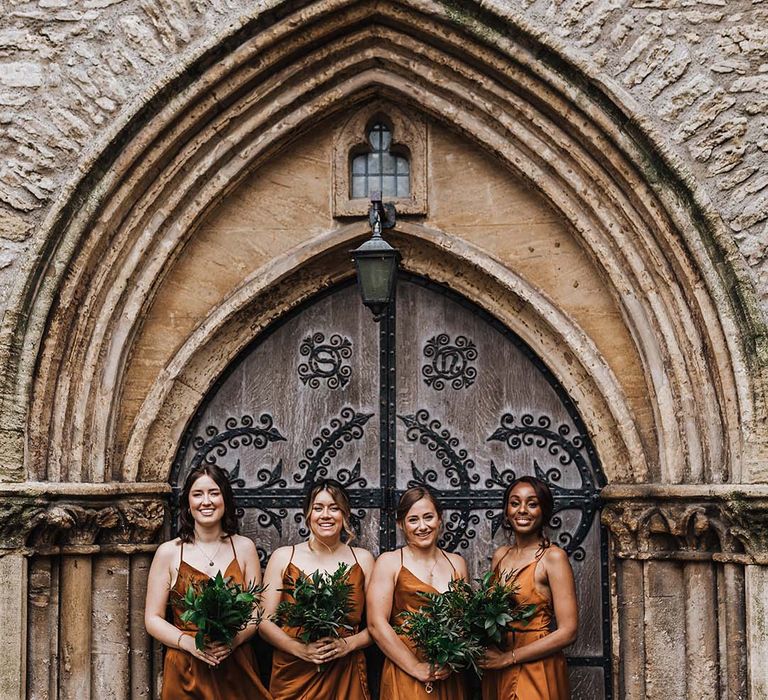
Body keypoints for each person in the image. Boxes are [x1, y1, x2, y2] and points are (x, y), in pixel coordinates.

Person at [145, 463, 272, 700]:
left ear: (225, 499)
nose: (206, 501)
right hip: (186, 668)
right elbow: (152, 618)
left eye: (214, 493)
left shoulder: (244, 548)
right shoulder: (169, 552)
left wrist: (233, 641)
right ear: (187, 503)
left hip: (235, 664)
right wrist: (189, 643)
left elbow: (256, 611)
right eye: (198, 494)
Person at [259, 479, 375, 699]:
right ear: (307, 514)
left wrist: (347, 645)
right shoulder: (284, 556)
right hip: (294, 670)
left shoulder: (363, 560)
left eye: (334, 508)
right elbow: (264, 623)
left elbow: (377, 625)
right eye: (318, 508)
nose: (326, 515)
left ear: (345, 514)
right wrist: (299, 649)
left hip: (344, 670)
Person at [478, 476, 577, 700]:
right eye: (515, 503)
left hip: (536, 665)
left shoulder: (553, 558)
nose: (522, 510)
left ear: (544, 510)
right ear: (506, 510)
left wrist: (510, 657)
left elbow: (568, 631)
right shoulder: (500, 555)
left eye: (532, 504)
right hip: (498, 663)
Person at [367, 486, 469, 700]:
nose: (422, 526)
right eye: (413, 520)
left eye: (429, 517)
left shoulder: (457, 563)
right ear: (401, 524)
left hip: (446, 670)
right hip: (405, 667)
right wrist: (415, 667)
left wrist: (451, 658)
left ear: (440, 519)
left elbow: (463, 621)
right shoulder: (390, 562)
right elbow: (376, 623)